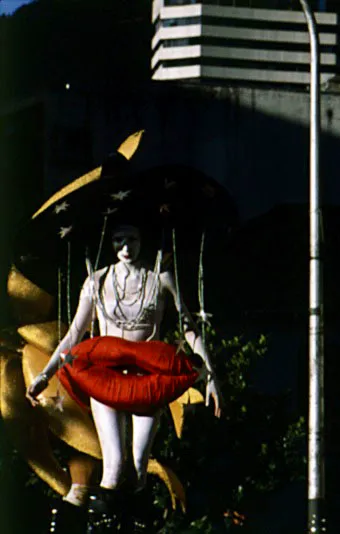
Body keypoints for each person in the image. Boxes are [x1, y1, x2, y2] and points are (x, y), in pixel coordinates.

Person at [25, 223, 221, 530]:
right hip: (104, 378)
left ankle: (133, 523)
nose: (125, 247)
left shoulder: (159, 277)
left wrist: (210, 375)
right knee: (113, 467)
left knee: (139, 467)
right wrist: (45, 374)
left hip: (147, 379)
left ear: (142, 240)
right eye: (119, 240)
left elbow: (189, 325)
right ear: (110, 242)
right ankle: (97, 527)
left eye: (132, 238)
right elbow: (76, 333)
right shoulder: (97, 280)